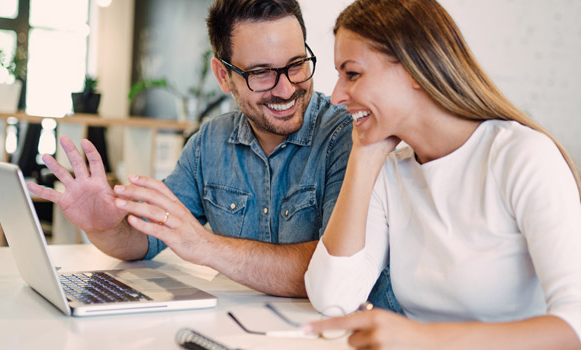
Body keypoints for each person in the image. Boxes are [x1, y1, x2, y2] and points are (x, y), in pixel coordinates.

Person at [27, 0, 400, 311]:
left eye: (296, 64)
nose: (286, 88)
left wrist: (204, 246)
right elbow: (143, 242)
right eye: (261, 73)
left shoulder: (347, 135)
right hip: (242, 328)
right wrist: (104, 226)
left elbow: (331, 270)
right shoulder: (210, 142)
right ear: (223, 76)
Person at [301, 0, 581, 349]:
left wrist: (423, 338)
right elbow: (332, 299)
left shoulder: (520, 155)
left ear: (413, 70)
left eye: (353, 74)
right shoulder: (390, 173)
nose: (335, 96)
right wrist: (363, 156)